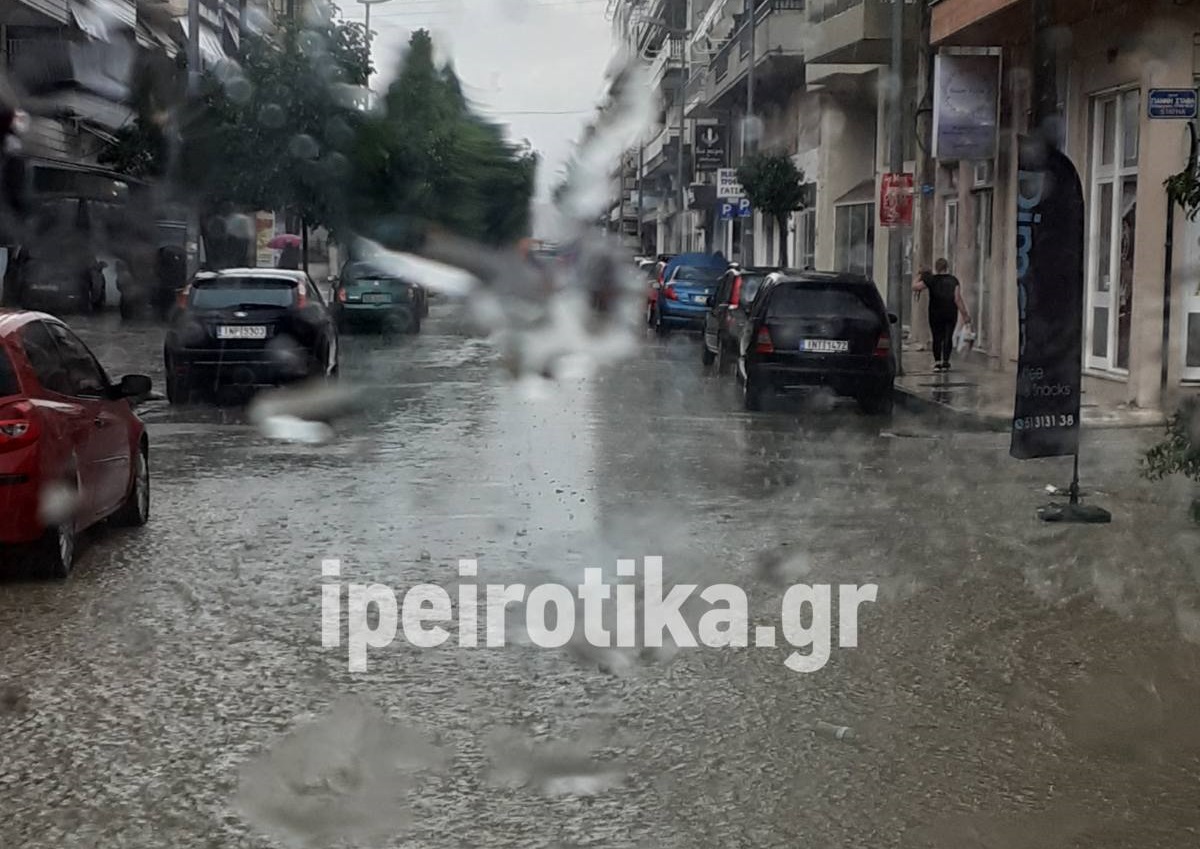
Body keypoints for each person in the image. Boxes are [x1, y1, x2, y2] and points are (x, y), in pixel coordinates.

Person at [913, 258, 971, 371]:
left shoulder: (931, 279)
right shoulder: (954, 280)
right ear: (947, 267)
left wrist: (919, 274)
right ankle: (946, 362)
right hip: (950, 312)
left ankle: (937, 362)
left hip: (935, 313)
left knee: (937, 337)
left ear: (936, 268)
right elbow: (957, 298)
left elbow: (915, 286)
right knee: (948, 336)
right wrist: (965, 315)